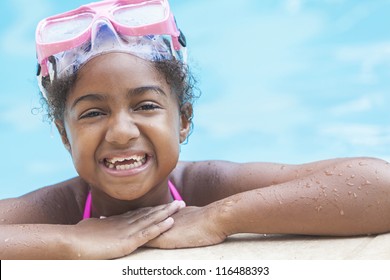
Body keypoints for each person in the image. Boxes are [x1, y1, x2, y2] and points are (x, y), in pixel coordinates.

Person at [1, 0, 390, 260]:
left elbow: (380, 185)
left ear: (183, 120)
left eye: (146, 106)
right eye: (92, 113)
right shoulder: (60, 209)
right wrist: (70, 240)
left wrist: (219, 217)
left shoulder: (209, 185)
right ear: (64, 134)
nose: (121, 132)